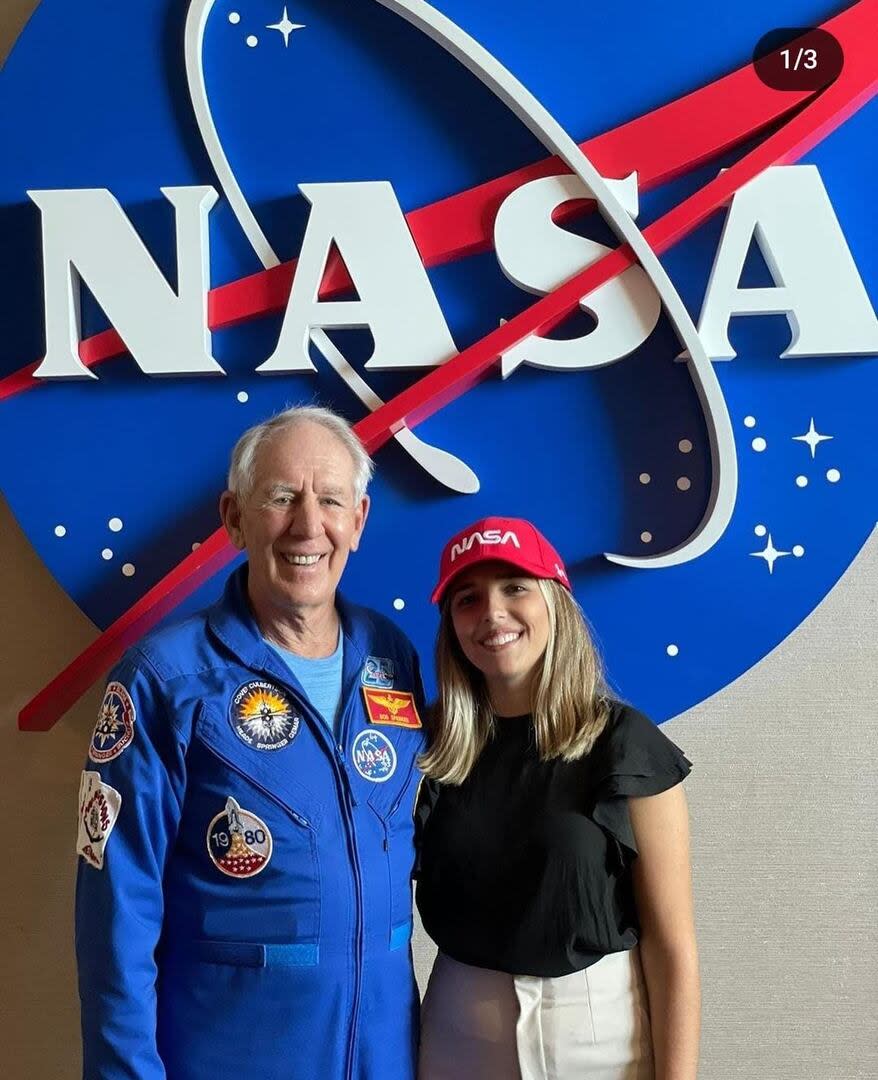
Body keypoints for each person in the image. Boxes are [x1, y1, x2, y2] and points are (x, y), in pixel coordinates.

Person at [75, 406, 427, 1080]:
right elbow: (115, 915)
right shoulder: (166, 680)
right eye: (281, 497)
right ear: (233, 517)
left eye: (330, 500)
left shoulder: (392, 659)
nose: (308, 525)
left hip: (384, 1053)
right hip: (231, 1054)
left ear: (358, 520)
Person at [415, 517, 700, 1080]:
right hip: (456, 1035)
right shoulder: (425, 744)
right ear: (451, 626)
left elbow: (672, 946)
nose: (492, 613)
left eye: (515, 587)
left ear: (555, 602)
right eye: (468, 599)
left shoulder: (624, 742)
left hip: (601, 1039)